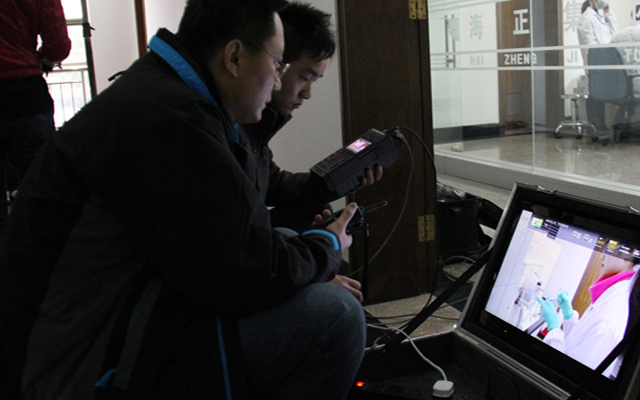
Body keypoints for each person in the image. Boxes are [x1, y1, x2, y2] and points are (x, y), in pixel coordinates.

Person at [0, 1, 366, 399]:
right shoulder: (170, 121)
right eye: (278, 64)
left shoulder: (165, 96)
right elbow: (243, 275)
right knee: (336, 315)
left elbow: (233, 242)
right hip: (75, 363)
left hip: (105, 317)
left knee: (292, 249)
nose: (278, 83)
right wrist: (327, 245)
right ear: (235, 57)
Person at [0, 0, 71, 244]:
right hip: (26, 97)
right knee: (41, 190)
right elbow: (58, 45)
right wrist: (43, 60)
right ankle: (42, 259)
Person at [537, 250, 637, 378]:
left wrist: (553, 329)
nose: (602, 256)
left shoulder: (609, 317)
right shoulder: (611, 293)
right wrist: (569, 315)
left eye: (609, 250)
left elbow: (570, 372)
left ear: (628, 257)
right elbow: (582, 339)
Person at [577, 0, 618, 132]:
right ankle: (595, 126)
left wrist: (608, 13)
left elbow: (615, 36)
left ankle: (601, 126)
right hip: (596, 64)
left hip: (605, 64)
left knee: (601, 95)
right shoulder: (586, 18)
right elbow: (589, 45)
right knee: (595, 95)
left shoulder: (600, 18)